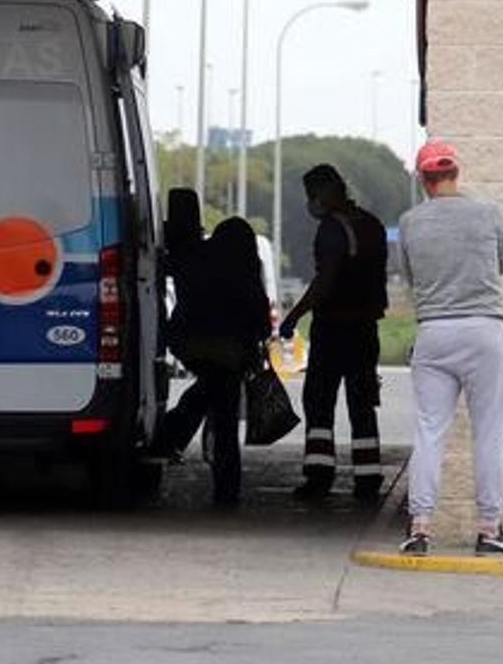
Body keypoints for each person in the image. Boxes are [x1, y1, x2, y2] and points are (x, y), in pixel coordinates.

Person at [395, 140, 503, 556]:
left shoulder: (410, 223)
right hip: (485, 329)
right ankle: (489, 530)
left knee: (429, 431)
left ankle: (420, 528)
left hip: (434, 332)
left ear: (424, 179)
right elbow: (502, 264)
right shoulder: (486, 212)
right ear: (456, 173)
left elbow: (407, 276)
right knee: (488, 434)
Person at [279, 164, 388, 501]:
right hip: (365, 329)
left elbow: (325, 281)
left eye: (312, 194)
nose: (311, 202)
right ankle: (368, 480)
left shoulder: (331, 229)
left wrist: (293, 316)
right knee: (362, 403)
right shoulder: (371, 224)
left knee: (319, 401)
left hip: (334, 328)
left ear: (327, 191)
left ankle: (319, 477)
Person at [159, 217, 272, 506]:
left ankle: (167, 437)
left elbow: (169, 265)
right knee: (225, 421)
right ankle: (226, 487)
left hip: (191, 345)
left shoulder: (196, 258)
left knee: (206, 391)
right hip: (229, 351)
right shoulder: (245, 266)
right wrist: (261, 339)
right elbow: (258, 310)